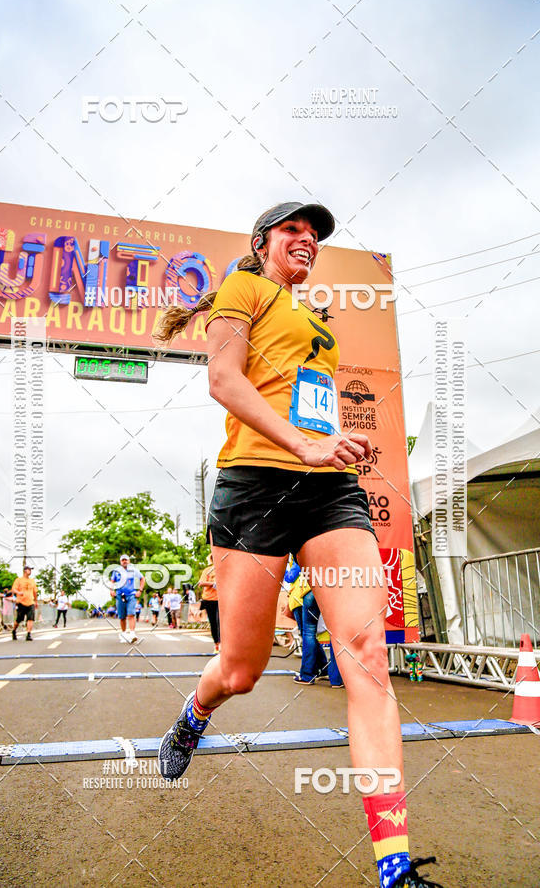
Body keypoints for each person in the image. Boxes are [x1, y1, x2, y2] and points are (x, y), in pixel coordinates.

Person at [154, 202, 442, 888]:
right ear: (263, 243)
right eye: (294, 230)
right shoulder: (242, 287)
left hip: (328, 491)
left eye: (314, 234)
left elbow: (307, 401)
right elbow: (224, 381)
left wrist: (339, 439)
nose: (307, 239)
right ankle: (195, 714)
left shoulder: (317, 320)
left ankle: (393, 867)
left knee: (368, 654)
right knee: (242, 669)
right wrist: (304, 444)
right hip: (255, 488)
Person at [109, 554, 144, 643]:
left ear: (129, 561)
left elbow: (142, 579)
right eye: (122, 560)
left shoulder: (134, 570)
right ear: (120, 562)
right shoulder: (116, 571)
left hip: (131, 595)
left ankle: (132, 633)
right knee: (122, 616)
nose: (124, 561)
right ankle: (124, 634)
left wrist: (140, 590)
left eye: (126, 560)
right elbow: (112, 581)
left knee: (131, 614)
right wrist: (111, 590)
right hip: (120, 595)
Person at [198, 554, 219, 652]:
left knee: (222, 623)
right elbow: (201, 583)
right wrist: (213, 584)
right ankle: (217, 645)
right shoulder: (207, 570)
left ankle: (224, 644)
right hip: (209, 599)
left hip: (222, 600)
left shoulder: (225, 569)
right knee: (214, 623)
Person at [11, 565, 38, 641]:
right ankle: (14, 630)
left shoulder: (32, 581)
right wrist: (18, 592)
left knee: (30, 618)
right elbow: (13, 589)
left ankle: (28, 634)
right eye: (29, 570)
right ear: (25, 571)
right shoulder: (18, 580)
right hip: (21, 602)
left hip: (30, 602)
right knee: (19, 619)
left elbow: (35, 592)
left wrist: (36, 601)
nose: (30, 571)